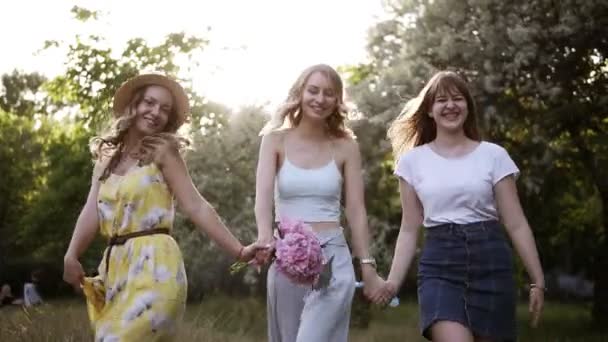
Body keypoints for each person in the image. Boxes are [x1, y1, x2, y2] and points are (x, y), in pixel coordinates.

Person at [62, 73, 262, 340]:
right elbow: (91, 211)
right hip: (115, 271)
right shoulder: (106, 159)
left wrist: (239, 250)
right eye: (149, 102)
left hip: (157, 267)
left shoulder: (163, 151)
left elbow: (196, 206)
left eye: (164, 109)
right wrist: (71, 254)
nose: (156, 112)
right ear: (133, 105)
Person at [380, 71, 545, 341]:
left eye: (458, 98)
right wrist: (393, 282)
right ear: (430, 111)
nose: (450, 105)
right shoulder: (412, 162)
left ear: (468, 106)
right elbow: (409, 229)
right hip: (440, 266)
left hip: (491, 260)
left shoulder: (494, 156)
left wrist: (537, 279)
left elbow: (515, 223)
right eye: (441, 100)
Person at [254, 64, 388, 342]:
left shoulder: (346, 146)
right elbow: (263, 198)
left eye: (329, 93)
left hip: (334, 259)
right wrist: (266, 238)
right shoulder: (274, 140)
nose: (320, 99)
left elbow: (356, 209)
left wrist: (368, 266)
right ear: (300, 93)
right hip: (287, 258)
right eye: (313, 90)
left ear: (337, 100)